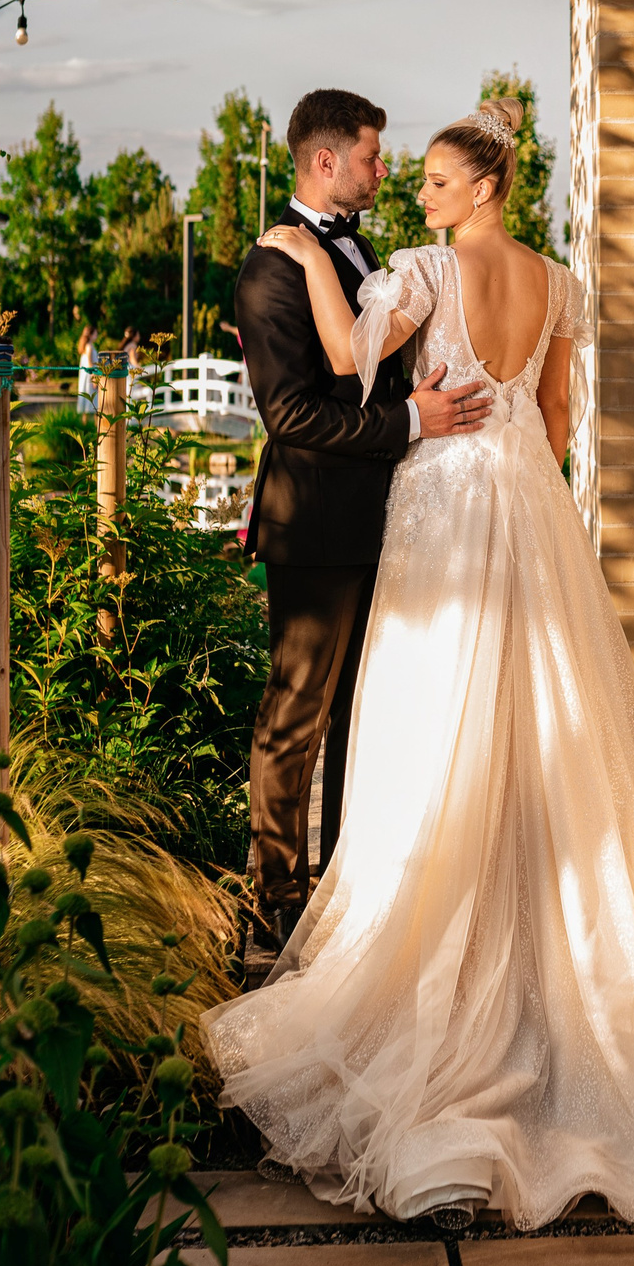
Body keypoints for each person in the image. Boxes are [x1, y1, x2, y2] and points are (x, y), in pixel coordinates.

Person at [201, 99, 634, 1233]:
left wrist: (298, 259)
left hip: (443, 506)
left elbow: (339, 355)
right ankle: (529, 929)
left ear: (475, 188)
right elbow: (557, 417)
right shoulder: (558, 282)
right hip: (525, 504)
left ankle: (424, 939)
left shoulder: (415, 265)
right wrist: (513, 468)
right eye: (396, 170)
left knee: (432, 720)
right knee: (538, 706)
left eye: (427, 177)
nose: (412, 188)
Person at [231, 89, 492, 978]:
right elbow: (293, 413)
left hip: (387, 519)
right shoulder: (271, 268)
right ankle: (270, 906)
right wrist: (412, 422)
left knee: (361, 717)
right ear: (326, 161)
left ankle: (341, 898)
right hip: (315, 523)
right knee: (295, 717)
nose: (386, 171)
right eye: (375, 158)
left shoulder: (356, 250)